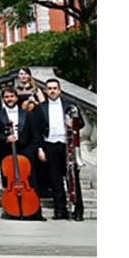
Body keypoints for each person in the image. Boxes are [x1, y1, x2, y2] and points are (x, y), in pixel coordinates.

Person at [35, 79, 85, 221]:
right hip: (50, 145)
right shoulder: (41, 107)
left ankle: (78, 210)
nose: (52, 91)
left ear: (59, 90)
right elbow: (37, 130)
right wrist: (40, 148)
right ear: (45, 91)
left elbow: (81, 123)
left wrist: (73, 123)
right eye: (49, 88)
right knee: (55, 180)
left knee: (73, 179)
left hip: (67, 144)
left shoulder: (70, 105)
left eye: (55, 88)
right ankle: (60, 210)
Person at [0, 88, 42, 221]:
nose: (9, 99)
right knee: (9, 181)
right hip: (7, 151)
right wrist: (5, 138)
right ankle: (12, 210)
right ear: (3, 99)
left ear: (16, 97)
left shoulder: (28, 114)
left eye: (11, 96)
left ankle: (36, 211)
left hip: (26, 150)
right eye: (6, 97)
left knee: (31, 181)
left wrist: (33, 149)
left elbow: (35, 135)